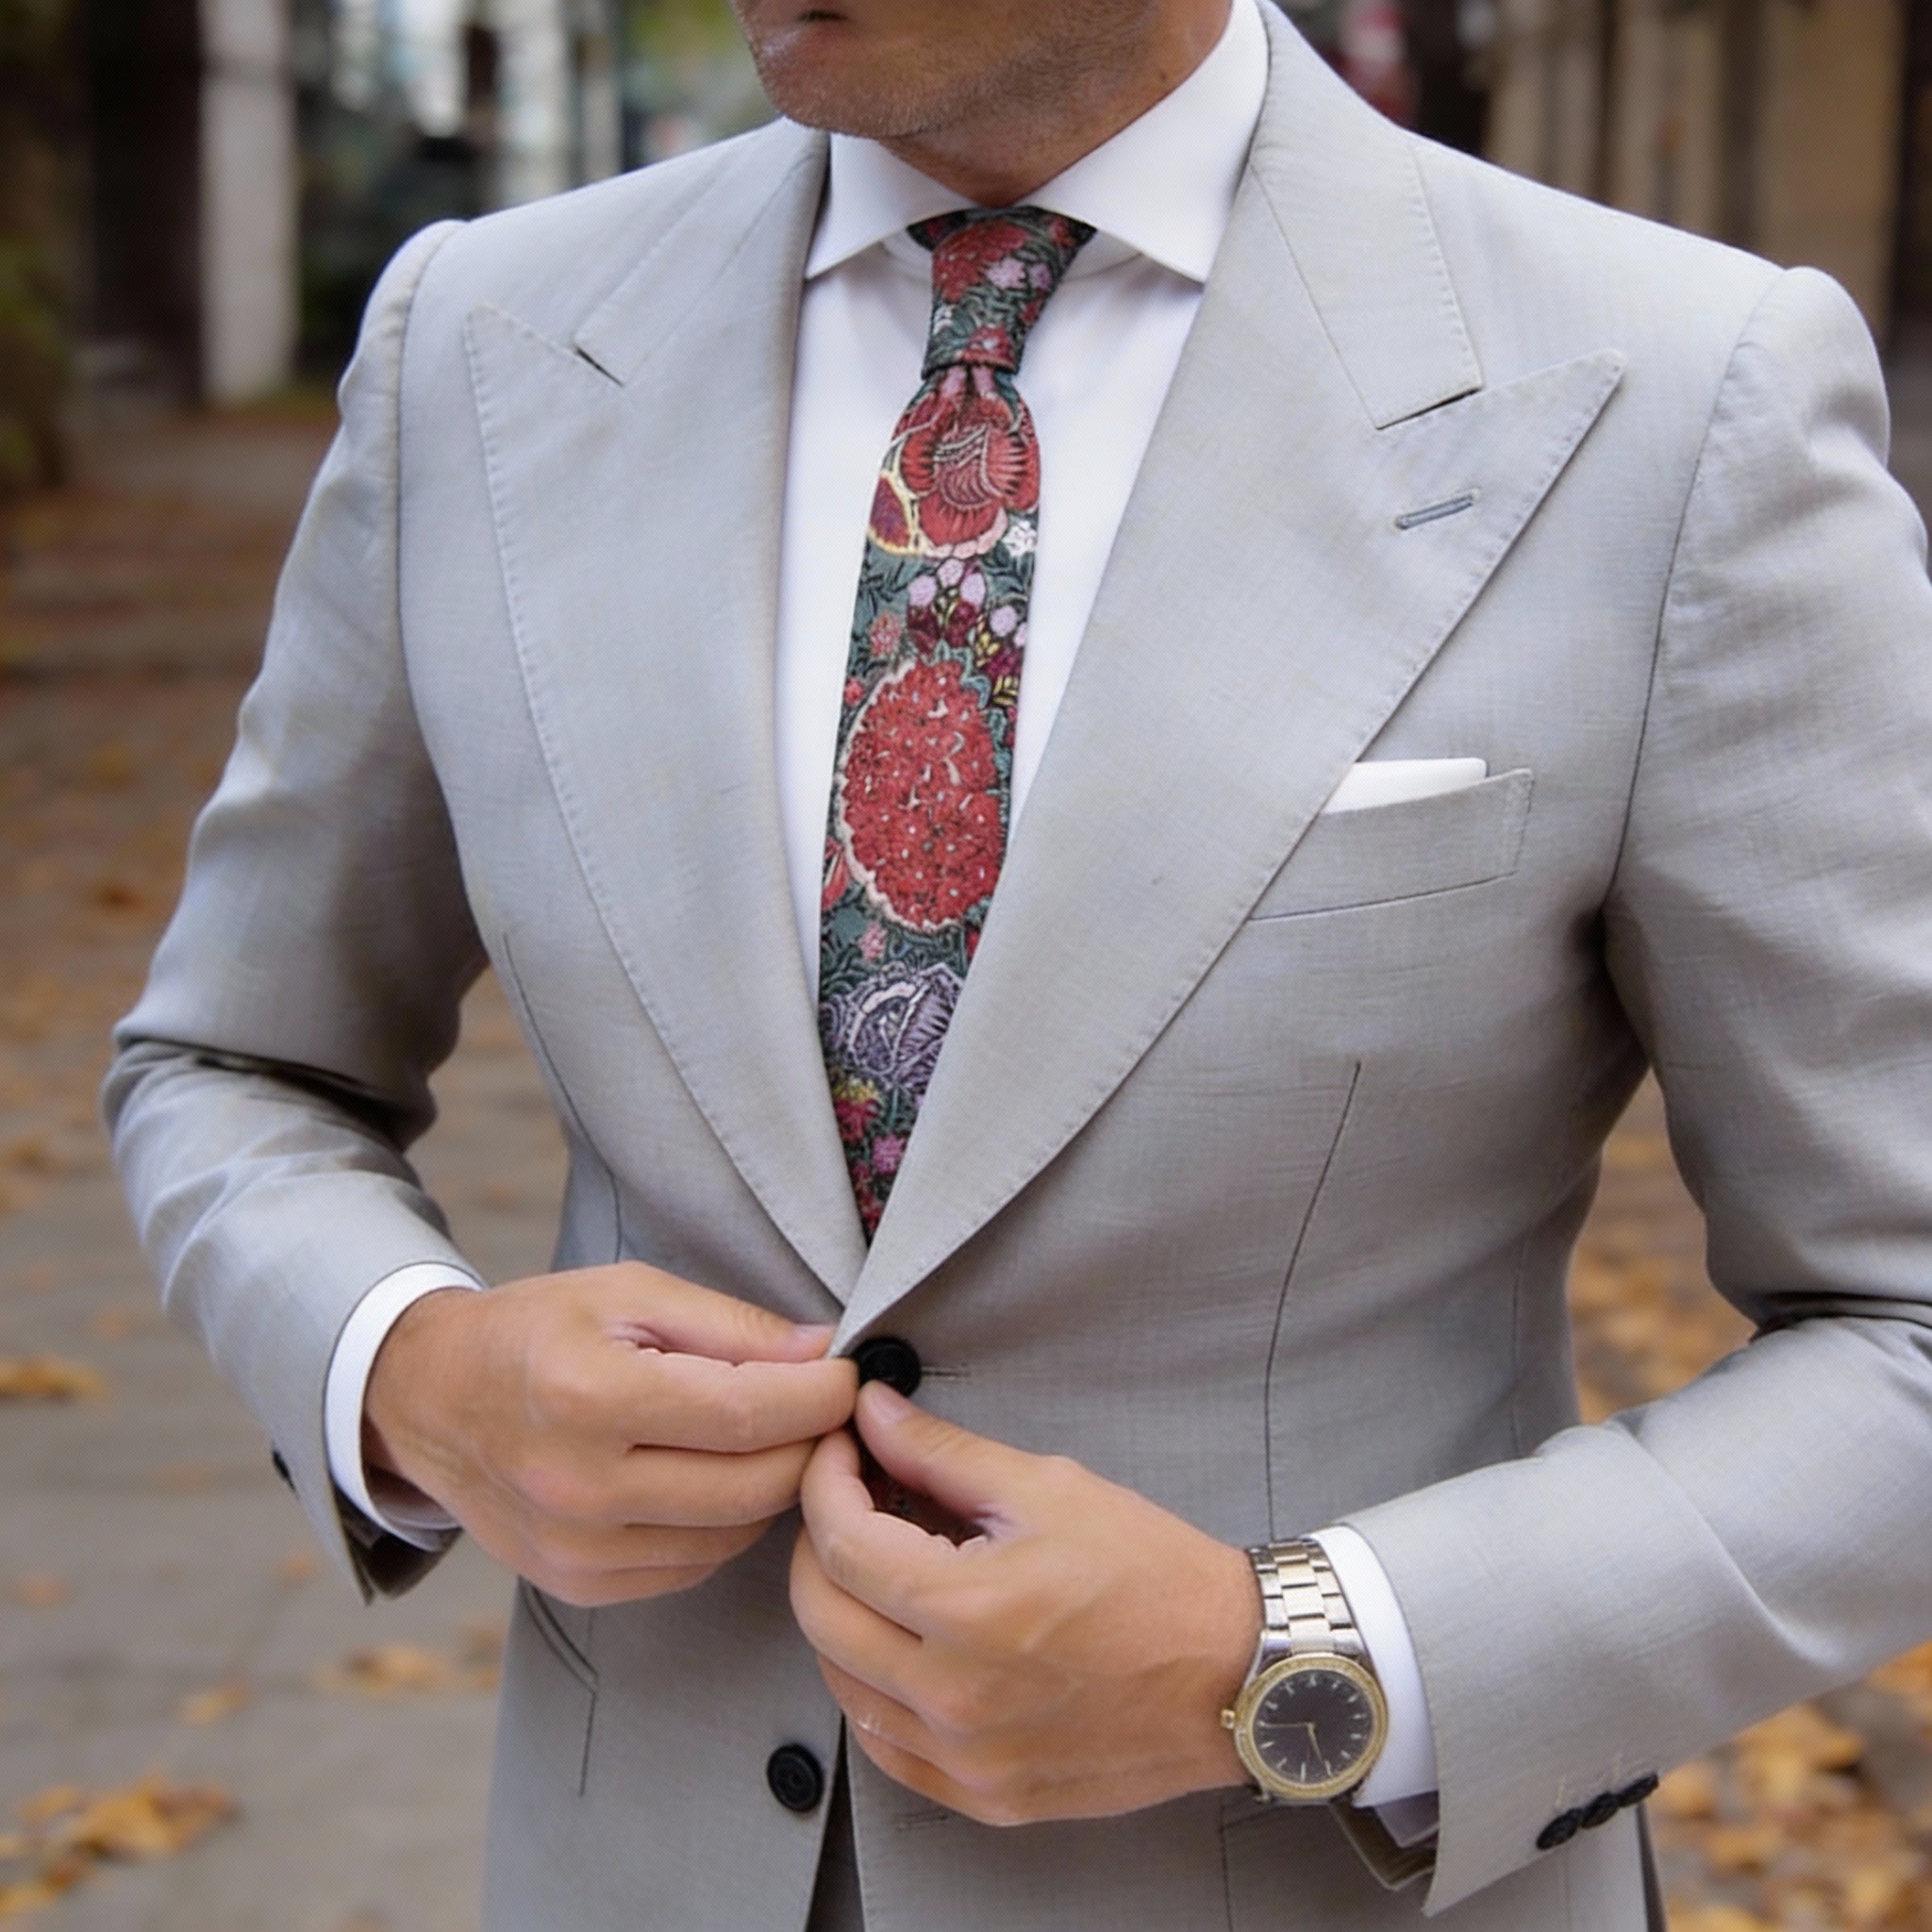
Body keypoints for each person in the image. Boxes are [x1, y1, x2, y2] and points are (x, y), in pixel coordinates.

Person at [106, 0, 1932, 1924]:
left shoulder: (1677, 394)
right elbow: (235, 1062)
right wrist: (408, 1368)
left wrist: (1296, 1660)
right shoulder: (483, 339)